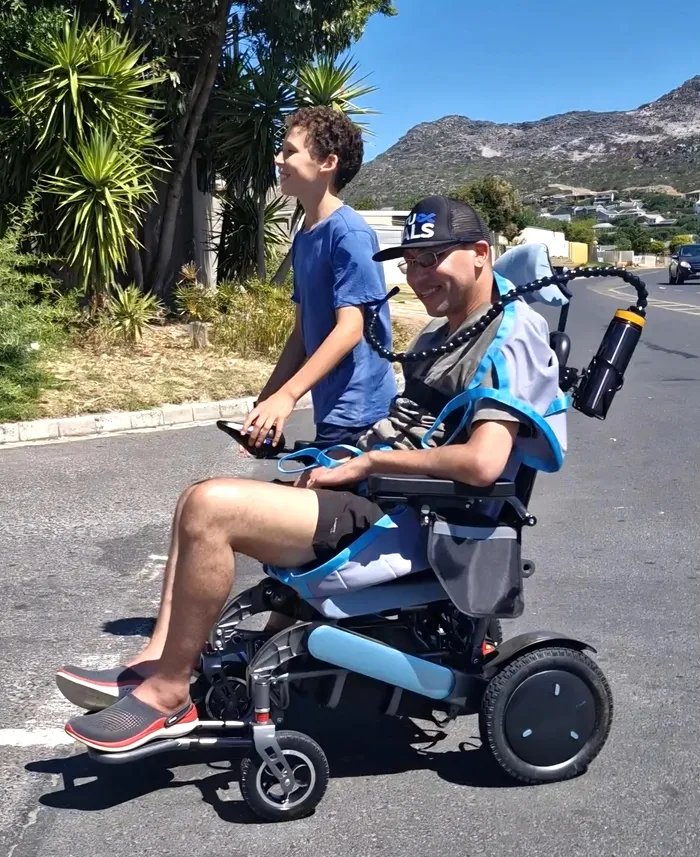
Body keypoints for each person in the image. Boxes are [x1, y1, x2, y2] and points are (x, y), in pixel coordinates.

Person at [58, 196, 566, 752]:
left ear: (480, 253)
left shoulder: (510, 334)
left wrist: (369, 463)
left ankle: (169, 693)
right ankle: (160, 663)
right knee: (193, 500)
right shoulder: (442, 333)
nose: (418, 276)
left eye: (432, 259)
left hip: (411, 515)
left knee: (210, 508)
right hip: (378, 495)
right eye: (410, 263)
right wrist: (342, 461)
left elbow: (483, 462)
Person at [241, 105, 397, 453]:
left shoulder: (349, 233)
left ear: (327, 163)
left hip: (361, 413)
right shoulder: (305, 236)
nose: (278, 159)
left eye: (290, 151)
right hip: (331, 409)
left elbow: (350, 329)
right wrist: (265, 404)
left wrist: (289, 396)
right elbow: (301, 334)